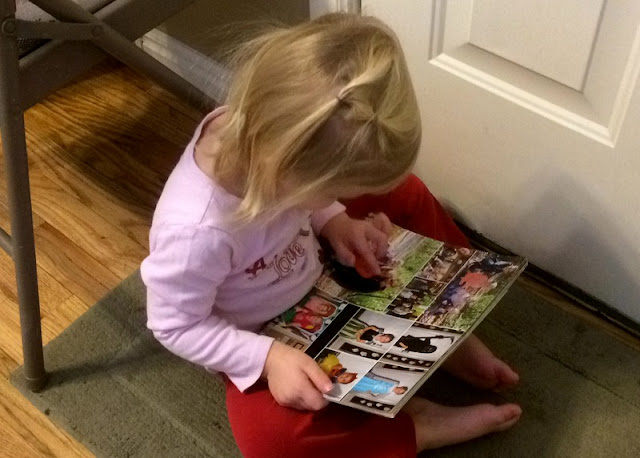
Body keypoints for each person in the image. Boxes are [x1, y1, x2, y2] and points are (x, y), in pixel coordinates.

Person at [141, 13, 521, 458]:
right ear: (282, 164)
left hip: (312, 258)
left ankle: (444, 319)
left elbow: (310, 189)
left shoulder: (269, 139)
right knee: (272, 441)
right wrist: (267, 358)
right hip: (265, 332)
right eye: (334, 191)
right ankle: (419, 428)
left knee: (407, 193)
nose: (341, 199)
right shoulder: (196, 233)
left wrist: (335, 220)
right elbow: (175, 325)